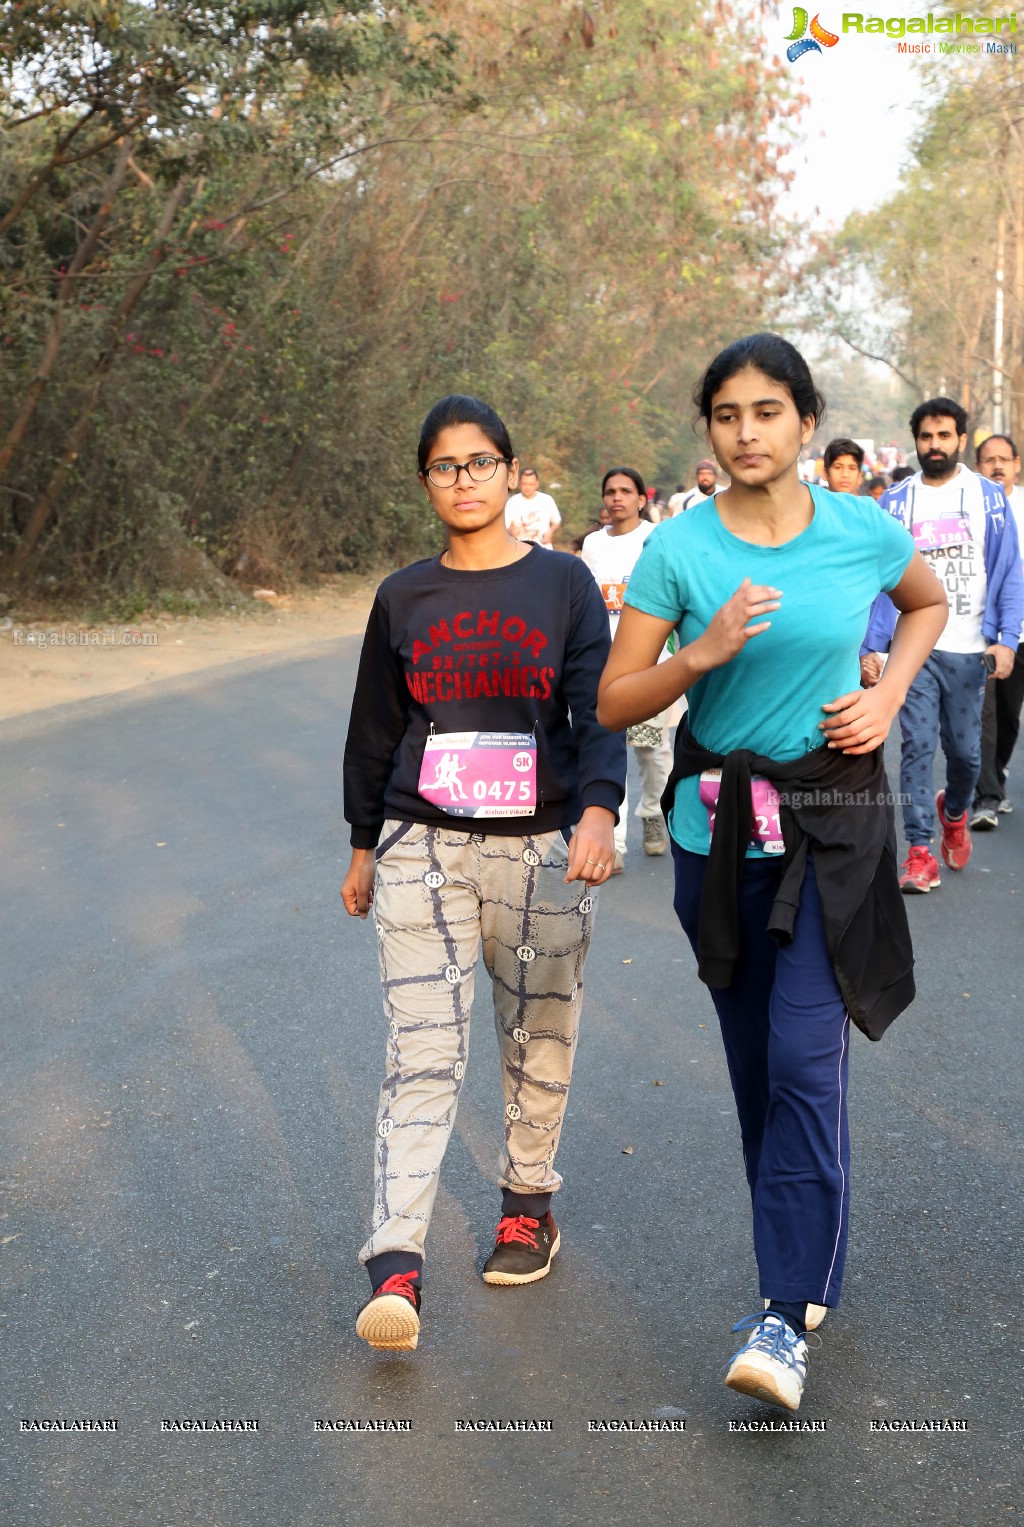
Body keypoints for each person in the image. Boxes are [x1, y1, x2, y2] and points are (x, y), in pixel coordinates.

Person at [597, 334, 945, 1412]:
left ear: (805, 421)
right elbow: (613, 702)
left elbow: (926, 604)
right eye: (726, 414)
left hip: (831, 822)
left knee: (802, 1060)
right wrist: (697, 658)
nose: (746, 432)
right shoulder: (678, 552)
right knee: (759, 1072)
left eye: (767, 412)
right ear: (708, 428)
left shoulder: (857, 530)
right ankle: (810, 1263)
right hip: (716, 841)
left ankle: (781, 1313)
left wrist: (884, 700)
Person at [342, 394, 626, 1352]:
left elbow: (598, 706)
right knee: (421, 1047)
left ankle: (524, 1203)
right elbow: (375, 728)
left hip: (541, 845)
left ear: (512, 472)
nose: (461, 480)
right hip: (421, 841)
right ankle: (395, 1265)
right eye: (442, 466)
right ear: (426, 482)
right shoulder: (403, 595)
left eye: (479, 462)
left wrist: (598, 808)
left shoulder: (565, 584)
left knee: (535, 1032)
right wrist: (359, 843)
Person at [863, 398, 1023, 893]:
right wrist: (871, 645)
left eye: (945, 436)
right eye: (927, 437)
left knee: (967, 755)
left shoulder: (989, 499)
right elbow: (876, 580)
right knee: (915, 746)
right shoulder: (895, 503)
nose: (935, 445)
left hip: (970, 646)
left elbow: (1010, 573)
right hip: (913, 648)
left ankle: (953, 811)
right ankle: (918, 852)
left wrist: (1007, 640)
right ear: (916, 440)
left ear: (960, 440)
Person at [581, 467, 682, 868]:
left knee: (651, 750)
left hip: (651, 666)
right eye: (610, 491)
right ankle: (616, 842)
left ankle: (654, 811)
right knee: (608, 749)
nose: (617, 497)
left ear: (642, 499)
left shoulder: (656, 540)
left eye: (626, 491)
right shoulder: (592, 545)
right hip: (604, 666)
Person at [971, 434, 1024, 827]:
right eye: (989, 460)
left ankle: (997, 773)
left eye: (1004, 459)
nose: (997, 466)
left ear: (1017, 464)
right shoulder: (974, 506)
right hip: (986, 632)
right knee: (985, 716)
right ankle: (986, 796)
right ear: (978, 467)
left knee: (1009, 716)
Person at [504, 466, 561, 547]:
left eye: (531, 484)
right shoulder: (512, 501)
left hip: (543, 548)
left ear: (537, 484)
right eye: (525, 484)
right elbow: (505, 527)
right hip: (521, 549)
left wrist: (550, 532)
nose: (527, 487)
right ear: (520, 483)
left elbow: (556, 521)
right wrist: (511, 531)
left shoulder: (547, 500)